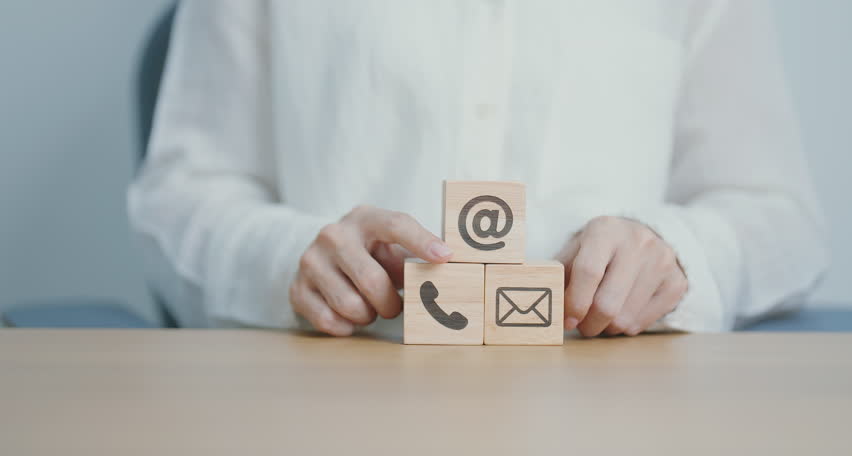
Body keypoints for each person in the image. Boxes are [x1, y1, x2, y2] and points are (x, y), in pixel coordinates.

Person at [128, 0, 828, 337]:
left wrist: (677, 256)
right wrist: (291, 261)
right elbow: (180, 195)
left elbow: (781, 218)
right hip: (331, 400)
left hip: (613, 419)